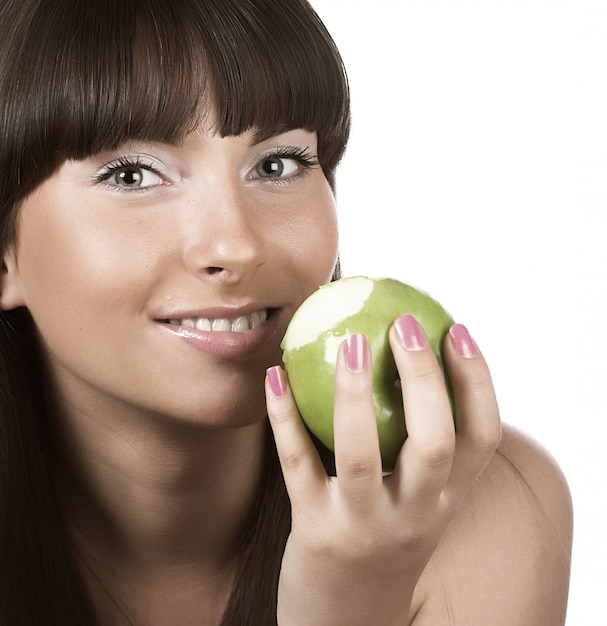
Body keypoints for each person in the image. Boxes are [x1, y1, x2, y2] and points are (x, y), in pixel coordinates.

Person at [0, 0, 572, 624]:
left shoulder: (486, 511)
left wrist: (353, 600)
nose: (236, 246)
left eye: (277, 164)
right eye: (133, 174)